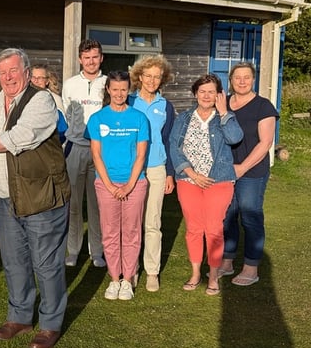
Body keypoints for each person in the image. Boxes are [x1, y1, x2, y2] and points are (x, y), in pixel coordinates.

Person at [0, 48, 70, 348]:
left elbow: (18, 138)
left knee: (46, 263)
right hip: (7, 198)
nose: (8, 77)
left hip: (41, 197)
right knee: (14, 261)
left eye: (13, 71)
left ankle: (49, 324)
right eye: (3, 72)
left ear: (25, 71)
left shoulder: (41, 100)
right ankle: (19, 317)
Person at [170, 74, 243, 296]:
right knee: (193, 228)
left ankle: (213, 276)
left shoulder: (225, 117)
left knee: (213, 229)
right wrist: (191, 173)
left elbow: (235, 138)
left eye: (211, 91)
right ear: (195, 94)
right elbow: (174, 146)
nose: (206, 96)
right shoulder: (183, 118)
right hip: (189, 180)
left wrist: (223, 112)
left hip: (218, 180)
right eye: (202, 91)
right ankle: (195, 274)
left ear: (219, 95)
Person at [86, 71, 149, 301]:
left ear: (128, 90)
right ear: (108, 90)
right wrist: (111, 186)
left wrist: (129, 186)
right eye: (115, 89)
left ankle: (128, 279)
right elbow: (96, 155)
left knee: (131, 233)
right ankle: (114, 278)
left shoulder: (139, 118)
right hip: (106, 184)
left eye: (124, 89)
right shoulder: (98, 119)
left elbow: (141, 156)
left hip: (135, 183)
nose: (119, 94)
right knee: (111, 232)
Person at [221, 62, 279, 286]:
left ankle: (251, 267)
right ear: (231, 80)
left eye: (247, 77)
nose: (242, 81)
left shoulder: (263, 106)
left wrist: (242, 167)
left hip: (252, 171)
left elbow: (265, 143)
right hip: (225, 171)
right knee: (227, 216)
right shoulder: (224, 102)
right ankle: (227, 262)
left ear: (253, 80)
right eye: (238, 77)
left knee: (250, 216)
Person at [128, 55, 176, 292]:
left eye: (157, 76)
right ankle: (131, 269)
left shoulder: (166, 106)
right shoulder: (128, 101)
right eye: (148, 75)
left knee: (153, 222)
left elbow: (168, 140)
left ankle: (152, 271)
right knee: (132, 221)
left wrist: (169, 173)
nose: (152, 80)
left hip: (156, 167)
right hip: (131, 170)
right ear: (139, 76)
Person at [61, 39, 107, 267]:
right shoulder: (70, 84)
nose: (91, 61)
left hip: (101, 151)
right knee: (74, 204)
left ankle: (97, 251)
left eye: (95, 57)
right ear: (80, 59)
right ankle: (72, 250)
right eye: (86, 57)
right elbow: (67, 115)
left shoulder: (108, 83)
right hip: (75, 149)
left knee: (97, 205)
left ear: (101, 58)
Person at [31, 64, 68, 142]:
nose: (36, 81)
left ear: (47, 81)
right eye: (33, 77)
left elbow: (62, 129)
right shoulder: (24, 97)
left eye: (40, 78)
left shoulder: (55, 99)